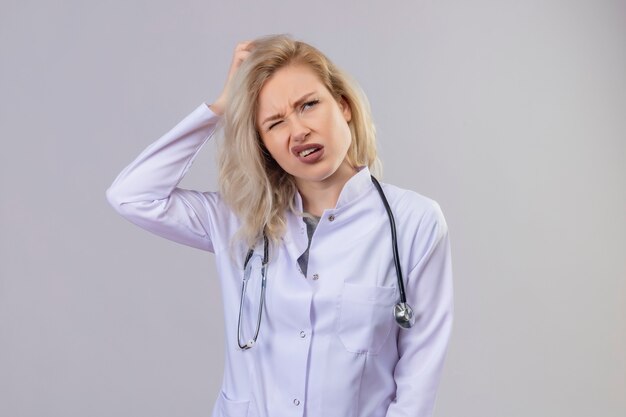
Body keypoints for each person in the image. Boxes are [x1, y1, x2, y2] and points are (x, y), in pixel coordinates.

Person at [106, 34, 453, 417]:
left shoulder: (414, 222)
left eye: (309, 105)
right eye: (275, 123)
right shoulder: (238, 220)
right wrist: (222, 107)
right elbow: (132, 195)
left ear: (343, 106)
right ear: (263, 144)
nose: (298, 130)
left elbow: (418, 378)